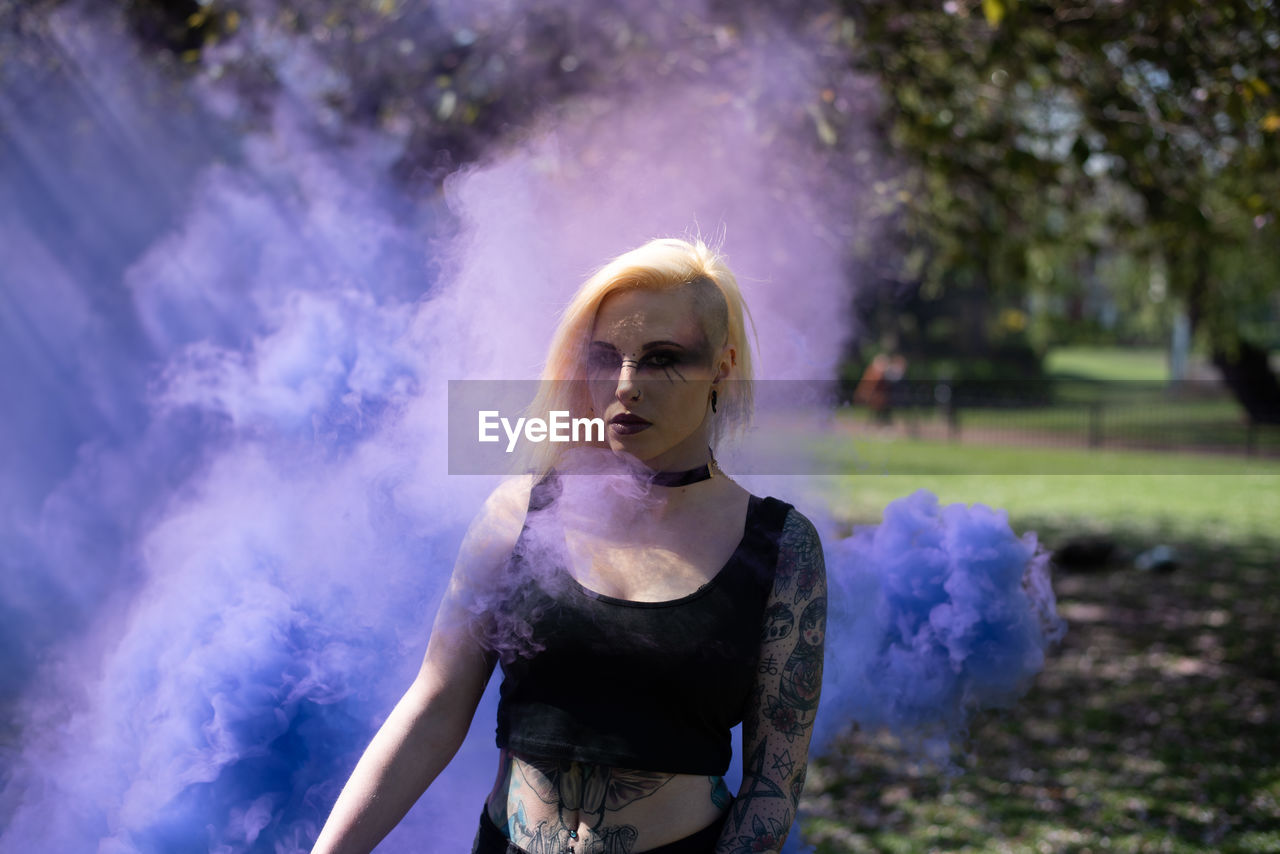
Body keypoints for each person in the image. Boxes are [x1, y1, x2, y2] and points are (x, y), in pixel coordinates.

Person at [311, 237, 827, 854]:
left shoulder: (781, 547)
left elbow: (773, 785)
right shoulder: (520, 511)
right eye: (606, 356)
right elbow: (435, 708)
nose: (627, 385)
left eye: (663, 358)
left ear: (722, 366)